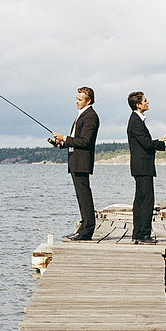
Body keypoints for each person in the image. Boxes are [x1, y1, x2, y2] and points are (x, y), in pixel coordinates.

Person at [127, 91, 166, 244]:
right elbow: (146, 144)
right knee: (147, 200)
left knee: (140, 200)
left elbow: (144, 142)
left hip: (141, 166)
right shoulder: (135, 121)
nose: (148, 102)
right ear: (138, 105)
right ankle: (143, 234)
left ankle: (138, 233)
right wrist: (164, 144)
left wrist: (160, 140)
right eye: (145, 100)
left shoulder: (137, 121)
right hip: (142, 167)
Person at [53, 87, 99, 241]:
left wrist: (65, 138)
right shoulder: (82, 115)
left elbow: (85, 141)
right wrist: (61, 142)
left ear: (89, 100)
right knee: (81, 196)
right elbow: (75, 140)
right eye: (76, 99)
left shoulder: (90, 116)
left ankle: (87, 231)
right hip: (75, 160)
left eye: (80, 99)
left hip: (82, 162)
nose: (77, 102)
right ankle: (83, 228)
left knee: (84, 196)